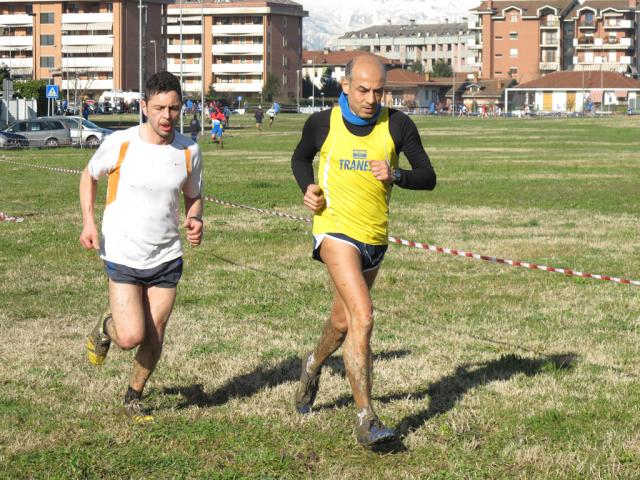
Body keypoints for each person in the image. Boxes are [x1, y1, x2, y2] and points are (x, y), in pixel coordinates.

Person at [290, 55, 436, 447]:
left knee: (340, 324)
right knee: (363, 317)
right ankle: (365, 418)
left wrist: (397, 175)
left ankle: (313, 364)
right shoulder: (322, 122)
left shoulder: (398, 124)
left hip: (375, 239)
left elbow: (429, 177)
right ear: (345, 85)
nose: (371, 98)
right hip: (334, 232)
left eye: (378, 91)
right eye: (363, 90)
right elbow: (300, 158)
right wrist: (308, 188)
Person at [79, 71, 204, 423]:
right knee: (130, 335)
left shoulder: (189, 150)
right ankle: (106, 328)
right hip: (123, 253)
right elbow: (88, 176)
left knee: (155, 334)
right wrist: (89, 222)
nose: (167, 116)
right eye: (160, 108)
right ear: (144, 107)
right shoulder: (120, 143)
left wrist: (196, 219)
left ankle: (133, 396)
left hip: (166, 256)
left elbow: (194, 197)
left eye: (175, 108)